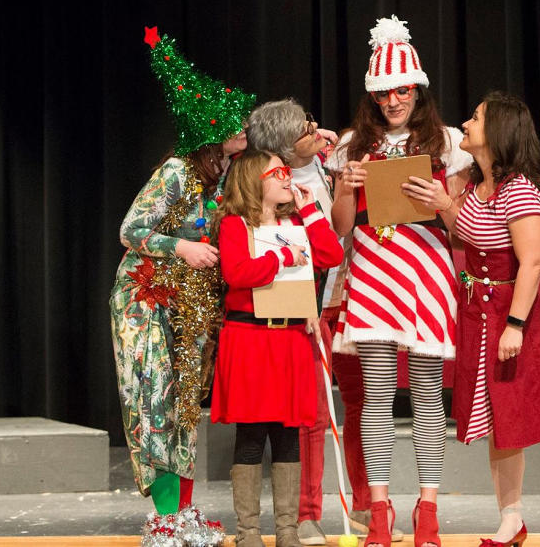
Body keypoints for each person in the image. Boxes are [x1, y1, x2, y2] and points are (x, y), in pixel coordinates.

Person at [402, 91, 540, 547]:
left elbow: (532, 263)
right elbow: (468, 231)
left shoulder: (519, 190)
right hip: (480, 315)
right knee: (501, 423)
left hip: (518, 319)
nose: (467, 122)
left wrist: (515, 326)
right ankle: (511, 518)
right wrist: (443, 201)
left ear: (498, 131)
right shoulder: (476, 187)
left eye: (475, 117)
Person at [328, 15, 472, 547]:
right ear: (372, 96)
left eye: (403, 91)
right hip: (372, 267)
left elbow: (465, 233)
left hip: (428, 268)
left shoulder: (449, 142)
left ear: (418, 90)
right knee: (377, 397)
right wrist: (346, 187)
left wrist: (443, 202)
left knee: (429, 395)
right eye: (385, 93)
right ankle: (382, 509)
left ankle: (428, 510)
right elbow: (341, 229)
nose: (394, 101)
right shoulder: (350, 145)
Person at [109, 27, 255, 547]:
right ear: (209, 128)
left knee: (188, 407)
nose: (245, 127)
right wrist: (183, 248)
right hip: (146, 303)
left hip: (191, 304)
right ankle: (164, 517)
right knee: (155, 403)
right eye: (234, 120)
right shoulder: (175, 172)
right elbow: (130, 231)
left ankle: (185, 514)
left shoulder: (220, 180)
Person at [246, 99, 395, 544]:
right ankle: (307, 515)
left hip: (350, 298)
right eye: (304, 128)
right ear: (282, 147)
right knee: (310, 413)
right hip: (306, 307)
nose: (316, 128)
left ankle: (371, 507)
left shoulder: (332, 163)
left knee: (363, 404)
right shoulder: (272, 184)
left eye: (312, 121)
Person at [209, 150, 344, 547]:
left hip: (289, 340)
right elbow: (238, 272)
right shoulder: (235, 224)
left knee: (288, 433)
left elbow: (331, 256)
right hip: (250, 339)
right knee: (251, 434)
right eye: (279, 173)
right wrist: (283, 256)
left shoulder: (295, 222)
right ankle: (248, 532)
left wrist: (312, 211)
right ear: (254, 179)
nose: (288, 179)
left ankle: (286, 530)